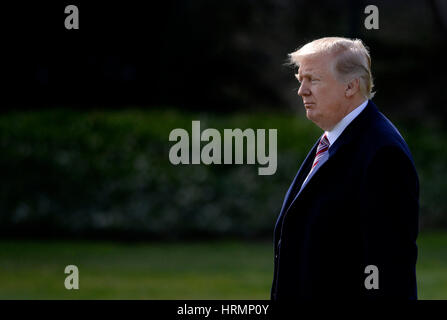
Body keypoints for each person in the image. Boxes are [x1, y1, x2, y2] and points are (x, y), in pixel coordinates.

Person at [271, 37, 419, 300]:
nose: (301, 90)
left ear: (350, 86)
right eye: (300, 79)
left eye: (313, 80)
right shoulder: (332, 138)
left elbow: (388, 271)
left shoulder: (382, 152)